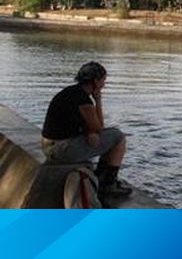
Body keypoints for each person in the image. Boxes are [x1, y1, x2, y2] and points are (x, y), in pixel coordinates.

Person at [41, 61, 132, 197]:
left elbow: (82, 125)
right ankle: (108, 183)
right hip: (61, 150)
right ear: (95, 81)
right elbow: (99, 127)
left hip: (49, 146)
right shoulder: (83, 100)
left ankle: (101, 177)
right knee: (118, 137)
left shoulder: (70, 92)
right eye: (103, 80)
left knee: (102, 137)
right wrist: (98, 101)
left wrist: (90, 132)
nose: (104, 84)